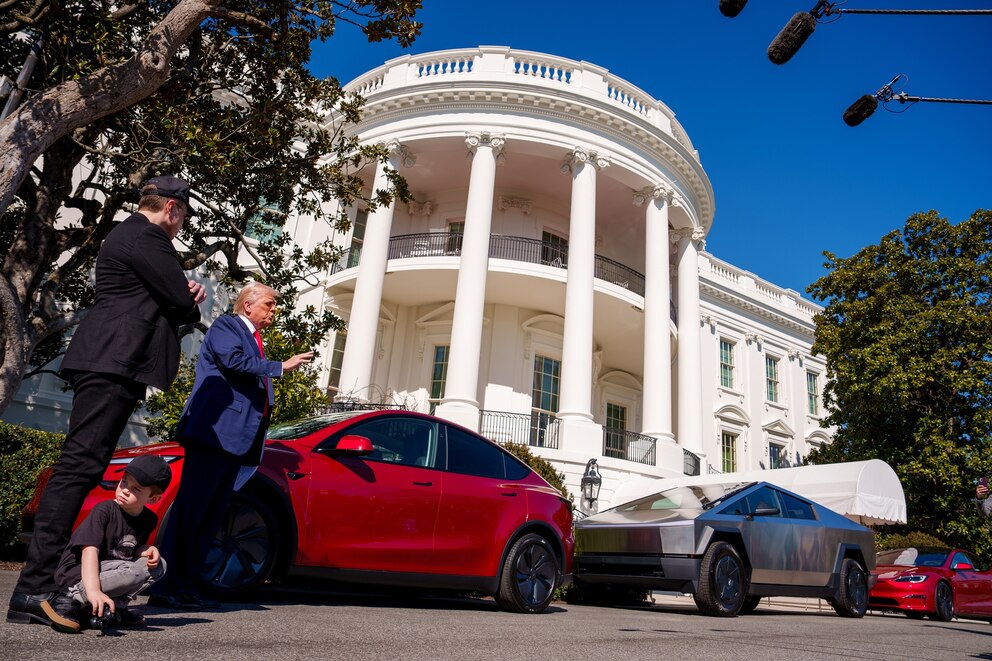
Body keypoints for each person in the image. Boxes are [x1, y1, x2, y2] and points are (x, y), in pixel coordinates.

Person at [7, 176, 206, 630]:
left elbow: (165, 299)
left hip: (112, 360)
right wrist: (187, 297)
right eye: (182, 219)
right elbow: (178, 299)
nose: (179, 229)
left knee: (84, 466)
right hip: (114, 361)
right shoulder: (147, 235)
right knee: (78, 467)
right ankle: (34, 588)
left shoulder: (130, 235)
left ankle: (45, 585)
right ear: (172, 210)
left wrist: (180, 297)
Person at [148, 282, 313, 610]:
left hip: (235, 443)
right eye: (268, 303)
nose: (273, 310)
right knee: (191, 512)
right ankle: (166, 586)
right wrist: (281, 367)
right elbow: (232, 361)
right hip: (214, 434)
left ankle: (189, 586)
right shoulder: (228, 325)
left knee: (210, 518)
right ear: (248, 305)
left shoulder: (256, 340)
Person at [50, 454, 173, 633]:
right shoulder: (105, 510)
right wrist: (92, 591)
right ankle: (71, 599)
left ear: (153, 499)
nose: (124, 490)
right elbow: (89, 551)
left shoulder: (148, 520)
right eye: (124, 482)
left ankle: (115, 607)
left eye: (136, 488)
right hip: (78, 575)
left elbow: (128, 549)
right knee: (133, 572)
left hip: (112, 572)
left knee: (159, 565)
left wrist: (147, 550)